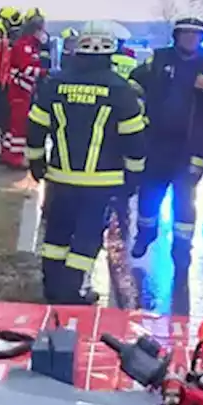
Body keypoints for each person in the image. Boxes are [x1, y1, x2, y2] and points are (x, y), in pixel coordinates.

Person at [26, 20, 147, 304]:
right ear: (110, 52)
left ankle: (52, 288)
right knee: (87, 238)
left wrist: (36, 161)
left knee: (56, 235)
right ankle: (70, 293)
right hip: (101, 182)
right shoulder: (120, 88)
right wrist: (134, 176)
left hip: (60, 178)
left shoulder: (55, 83)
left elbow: (35, 127)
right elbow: (134, 138)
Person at [129, 17, 203, 265]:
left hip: (192, 145)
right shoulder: (160, 59)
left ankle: (182, 250)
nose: (190, 39)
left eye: (195, 35)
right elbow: (134, 81)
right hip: (157, 142)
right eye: (186, 34)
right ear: (177, 36)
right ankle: (146, 234)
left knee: (184, 199)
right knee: (149, 194)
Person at [1, 9, 49, 168]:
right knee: (19, 127)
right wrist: (46, 73)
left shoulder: (31, 45)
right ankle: (15, 158)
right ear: (35, 29)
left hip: (23, 92)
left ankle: (8, 154)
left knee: (12, 126)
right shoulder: (25, 46)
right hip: (19, 92)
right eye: (41, 29)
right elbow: (26, 69)